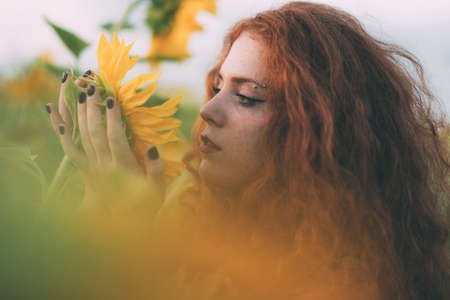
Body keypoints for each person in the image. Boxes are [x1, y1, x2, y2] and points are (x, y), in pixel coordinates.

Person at [46, 2, 449, 299]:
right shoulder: (193, 215)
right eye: (218, 85)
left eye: (248, 97)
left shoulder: (344, 284)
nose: (207, 110)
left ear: (321, 130)